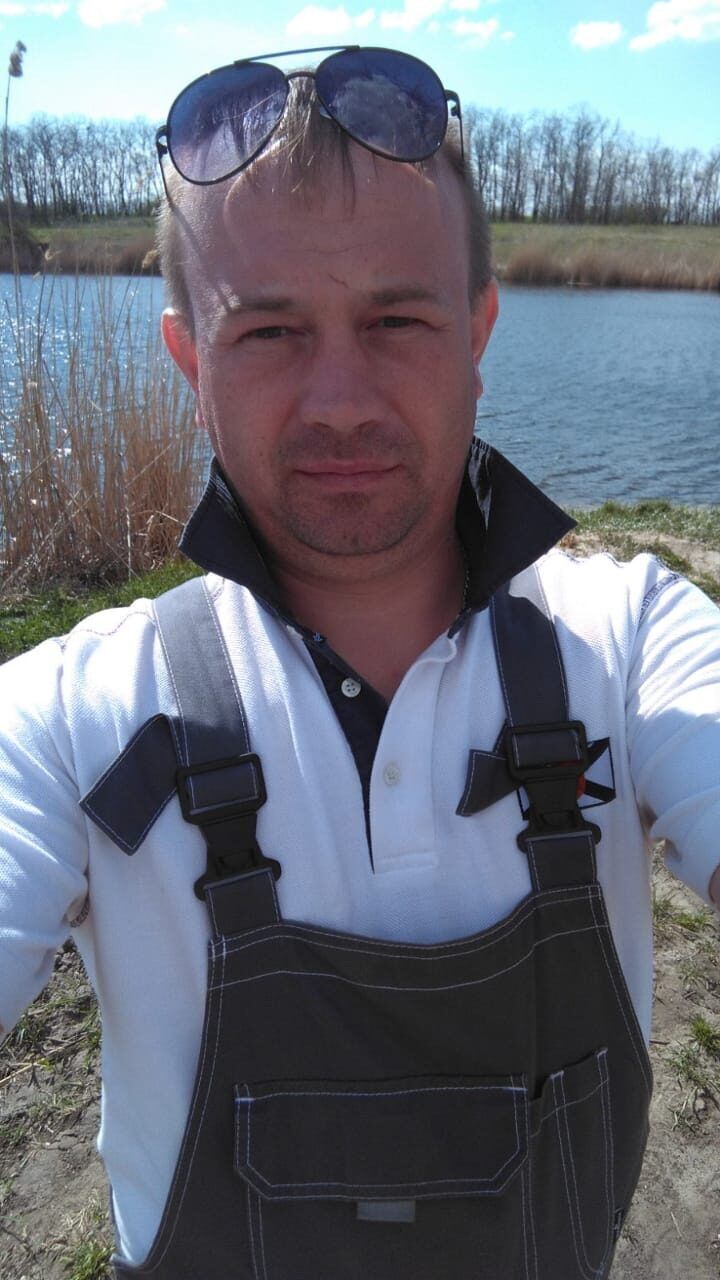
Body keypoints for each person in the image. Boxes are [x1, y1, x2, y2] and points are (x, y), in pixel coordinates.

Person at [1, 46, 719, 1280]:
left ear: (478, 330)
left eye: (396, 319)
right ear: (191, 359)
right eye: (270, 329)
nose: (340, 398)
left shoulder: (634, 642)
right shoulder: (73, 717)